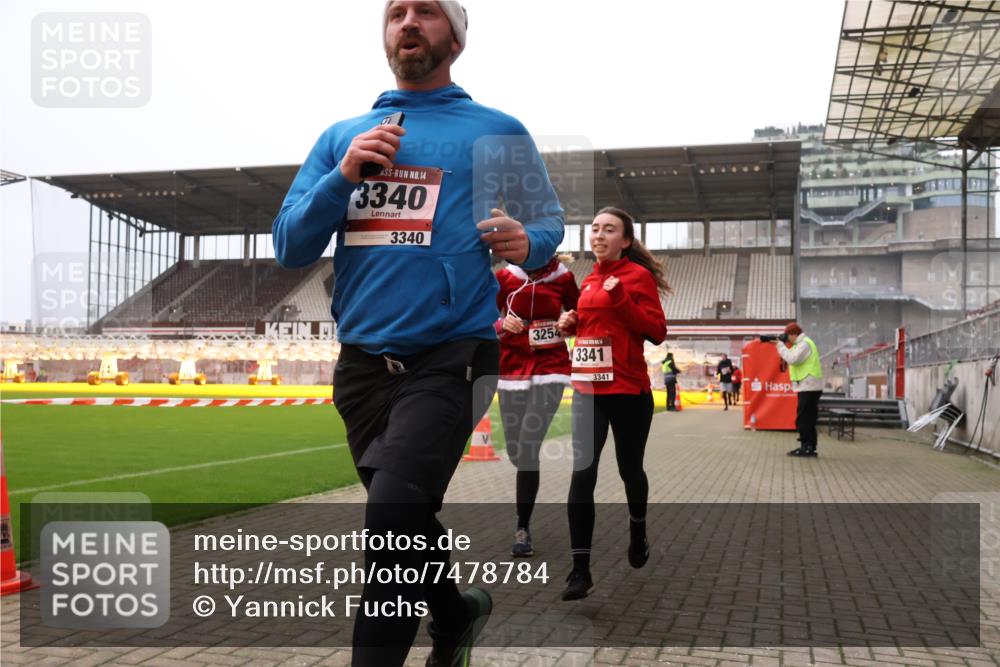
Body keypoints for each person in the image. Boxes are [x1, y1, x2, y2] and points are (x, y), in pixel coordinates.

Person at [272, 2, 564, 665]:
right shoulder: (342, 135)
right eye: (396, 11)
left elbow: (547, 223)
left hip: (454, 357)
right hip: (362, 370)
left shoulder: (495, 131)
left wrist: (529, 238)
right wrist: (343, 177)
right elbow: (290, 245)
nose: (408, 21)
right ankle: (456, 612)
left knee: (388, 527)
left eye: (426, 11)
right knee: (401, 522)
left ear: (455, 37)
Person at [556, 207, 668, 601]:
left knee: (629, 470)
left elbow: (656, 330)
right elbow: (595, 331)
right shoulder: (588, 281)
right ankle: (580, 570)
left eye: (608, 230)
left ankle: (638, 531)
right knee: (582, 474)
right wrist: (572, 327)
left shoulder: (636, 278)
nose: (598, 235)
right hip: (588, 390)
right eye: (594, 229)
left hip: (629, 391)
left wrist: (620, 298)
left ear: (625, 240)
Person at [495, 255, 579, 557]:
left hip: (551, 365)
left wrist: (570, 321)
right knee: (518, 451)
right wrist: (501, 322)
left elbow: (579, 312)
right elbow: (482, 314)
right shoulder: (505, 277)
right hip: (512, 364)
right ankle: (525, 476)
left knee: (528, 446)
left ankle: (522, 527)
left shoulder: (563, 277)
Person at [767, 323, 823, 457]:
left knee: (804, 418)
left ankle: (806, 447)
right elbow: (791, 356)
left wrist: (780, 345)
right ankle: (810, 447)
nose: (787, 338)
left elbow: (792, 359)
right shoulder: (801, 344)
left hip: (809, 386)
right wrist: (783, 345)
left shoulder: (804, 344)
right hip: (808, 386)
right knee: (808, 418)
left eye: (788, 336)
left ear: (794, 334)